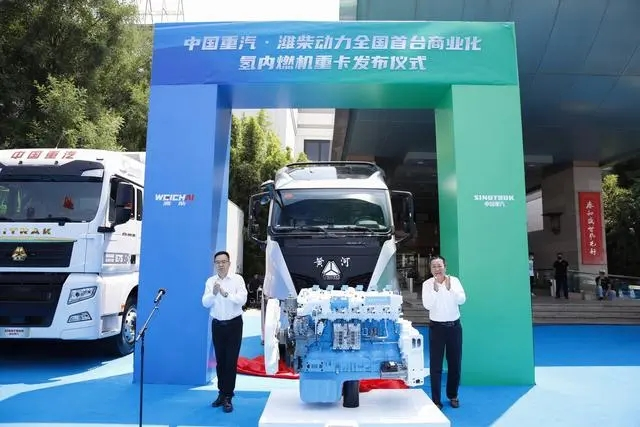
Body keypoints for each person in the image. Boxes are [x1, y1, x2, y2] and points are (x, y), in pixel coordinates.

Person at [201, 250, 248, 413]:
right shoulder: (210, 281)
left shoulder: (237, 280)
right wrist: (214, 293)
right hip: (217, 325)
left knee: (230, 360)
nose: (220, 265)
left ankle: (228, 396)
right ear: (214, 264)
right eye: (217, 262)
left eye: (223, 262)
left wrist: (225, 294)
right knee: (220, 360)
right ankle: (221, 393)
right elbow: (205, 303)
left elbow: (242, 300)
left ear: (229, 263)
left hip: (234, 324)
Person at [421, 256, 466, 410]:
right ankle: (436, 400)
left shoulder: (454, 281)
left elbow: (462, 300)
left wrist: (449, 288)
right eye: (433, 266)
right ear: (430, 269)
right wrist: (435, 291)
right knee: (436, 365)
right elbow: (427, 305)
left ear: (445, 267)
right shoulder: (427, 284)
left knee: (455, 363)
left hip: (454, 327)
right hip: (437, 328)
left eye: (439, 266)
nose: (437, 269)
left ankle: (453, 395)